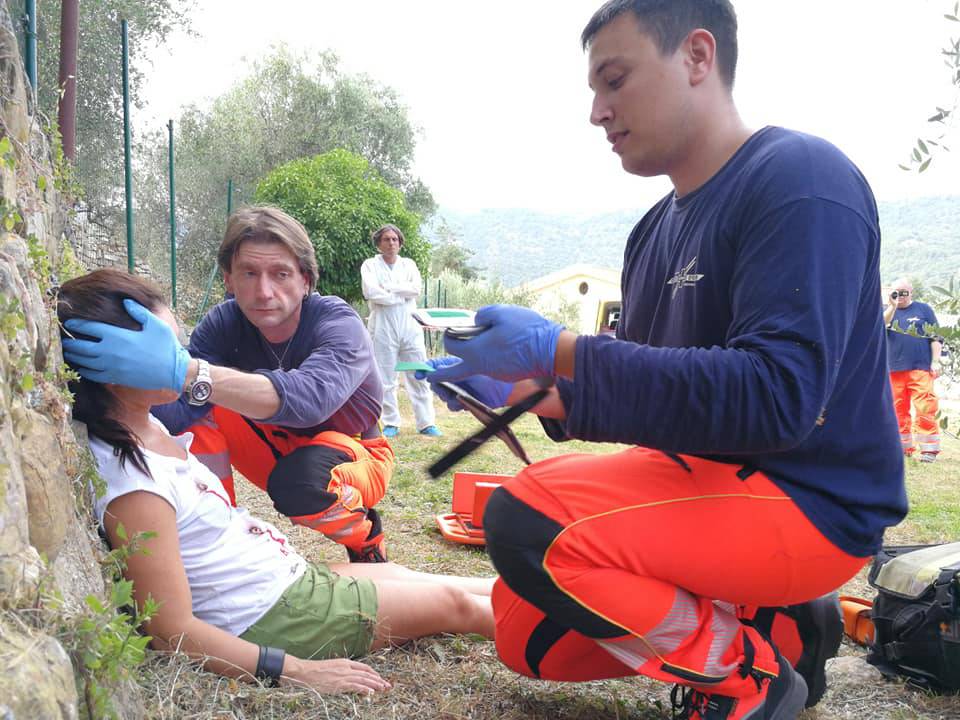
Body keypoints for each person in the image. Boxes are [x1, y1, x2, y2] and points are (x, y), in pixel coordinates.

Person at [417, 3, 906, 719]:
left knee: (528, 521)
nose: (596, 111)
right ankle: (780, 622)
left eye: (614, 80)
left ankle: (748, 673)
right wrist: (536, 389)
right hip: (711, 485)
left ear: (697, 57)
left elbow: (778, 398)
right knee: (529, 638)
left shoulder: (802, 179)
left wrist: (559, 348)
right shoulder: (653, 233)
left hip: (810, 501)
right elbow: (670, 389)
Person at [58, 268, 494, 695]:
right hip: (274, 615)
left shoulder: (147, 423)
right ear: (117, 365)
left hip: (283, 582)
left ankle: (551, 587)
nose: (182, 358)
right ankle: (560, 623)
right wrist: (297, 671)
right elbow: (171, 631)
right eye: (166, 348)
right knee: (450, 605)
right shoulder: (135, 483)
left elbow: (298, 397)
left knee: (402, 573)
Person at [62, 206, 392, 563]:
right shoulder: (224, 323)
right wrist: (111, 381)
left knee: (299, 482)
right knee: (198, 415)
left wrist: (188, 371)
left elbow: (311, 399)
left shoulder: (337, 321)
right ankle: (220, 533)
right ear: (228, 280)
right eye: (249, 273)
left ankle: (365, 538)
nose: (264, 291)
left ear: (306, 280)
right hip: (270, 444)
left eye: (280, 274)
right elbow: (173, 415)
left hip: (354, 450)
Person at [361, 224, 441, 438]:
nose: (391, 243)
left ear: (400, 242)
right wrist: (399, 292)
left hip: (409, 326)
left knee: (418, 373)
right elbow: (370, 292)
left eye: (395, 239)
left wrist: (389, 288)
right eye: (386, 239)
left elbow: (415, 290)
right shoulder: (370, 265)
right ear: (379, 243)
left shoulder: (409, 264)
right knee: (386, 377)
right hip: (383, 327)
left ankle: (426, 423)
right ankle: (391, 423)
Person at [883, 278, 942, 462]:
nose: (900, 296)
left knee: (925, 407)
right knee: (897, 410)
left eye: (904, 292)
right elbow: (879, 327)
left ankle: (929, 451)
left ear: (911, 292)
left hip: (920, 368)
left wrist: (936, 361)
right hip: (893, 369)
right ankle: (902, 448)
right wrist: (892, 306)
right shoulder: (887, 311)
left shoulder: (923, 309)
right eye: (896, 292)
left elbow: (936, 337)